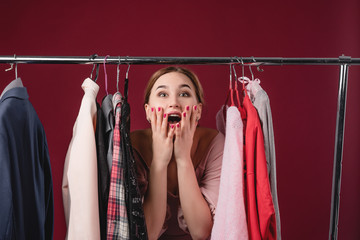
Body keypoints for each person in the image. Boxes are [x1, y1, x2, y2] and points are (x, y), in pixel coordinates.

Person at [131, 67, 225, 240]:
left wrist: (183, 159)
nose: (174, 102)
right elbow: (148, 234)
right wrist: (159, 162)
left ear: (198, 111)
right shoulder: (131, 146)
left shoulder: (215, 143)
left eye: (184, 94)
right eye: (162, 94)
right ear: (148, 111)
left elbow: (200, 232)